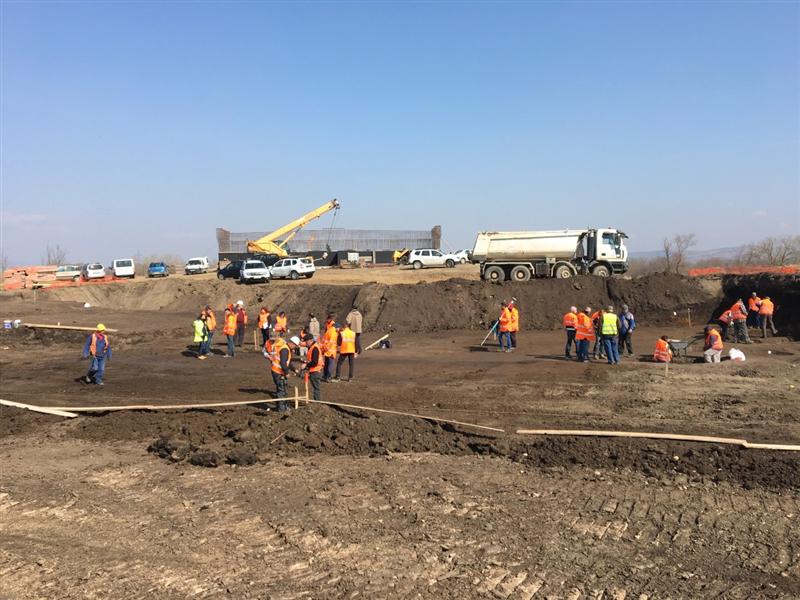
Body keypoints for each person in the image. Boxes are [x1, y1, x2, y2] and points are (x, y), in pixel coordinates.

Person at [264, 333, 299, 411]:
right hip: (278, 372)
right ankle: (282, 408)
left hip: (277, 371)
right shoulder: (285, 349)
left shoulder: (286, 348)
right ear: (292, 344)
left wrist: (294, 369)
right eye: (295, 346)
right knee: (282, 390)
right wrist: (287, 373)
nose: (295, 348)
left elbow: (287, 362)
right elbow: (283, 363)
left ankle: (282, 406)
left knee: (282, 389)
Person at [301, 333, 324, 400]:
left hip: (316, 370)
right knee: (316, 388)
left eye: (306, 341)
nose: (305, 343)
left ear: (310, 340)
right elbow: (312, 360)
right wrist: (306, 362)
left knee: (316, 388)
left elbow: (314, 362)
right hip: (314, 370)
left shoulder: (315, 348)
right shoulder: (312, 347)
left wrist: (306, 365)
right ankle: (317, 401)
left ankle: (317, 402)